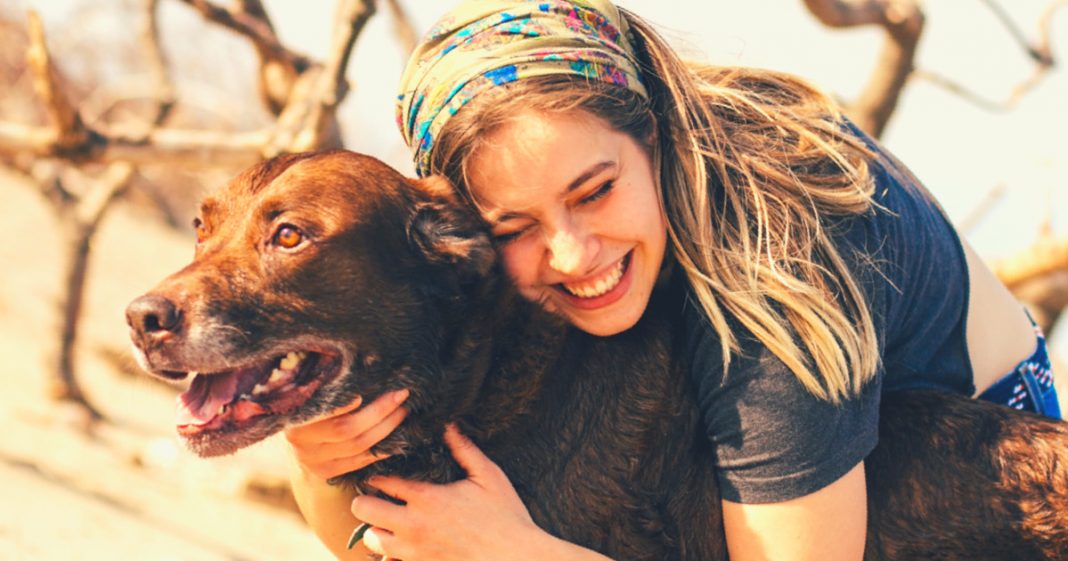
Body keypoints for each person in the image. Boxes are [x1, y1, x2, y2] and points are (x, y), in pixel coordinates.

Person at [284, 1, 1062, 560]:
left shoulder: (774, 281)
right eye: (514, 227)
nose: (571, 254)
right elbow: (386, 541)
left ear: (652, 135)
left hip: (973, 476)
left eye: (594, 192)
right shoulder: (537, 274)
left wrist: (518, 553)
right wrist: (321, 456)